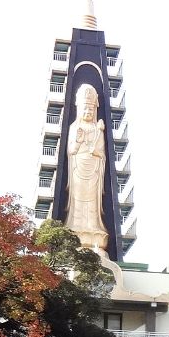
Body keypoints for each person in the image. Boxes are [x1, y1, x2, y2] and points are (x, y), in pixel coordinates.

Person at [66, 83, 106, 243]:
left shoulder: (98, 130)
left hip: (93, 170)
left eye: (91, 109)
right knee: (78, 199)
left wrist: (93, 150)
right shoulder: (74, 127)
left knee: (92, 203)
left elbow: (101, 153)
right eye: (85, 108)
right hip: (78, 169)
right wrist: (79, 141)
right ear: (79, 109)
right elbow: (71, 150)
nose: (88, 112)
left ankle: (93, 228)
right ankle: (75, 226)